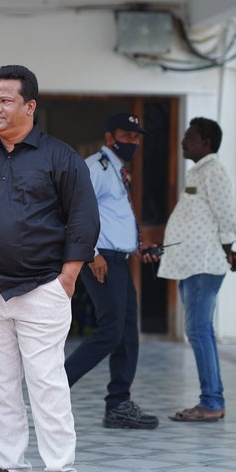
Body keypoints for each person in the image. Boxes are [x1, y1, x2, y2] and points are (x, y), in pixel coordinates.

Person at [0, 64, 99, 472]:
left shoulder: (60, 157)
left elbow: (83, 219)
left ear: (30, 105)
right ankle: (11, 469)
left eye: (6, 100)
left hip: (40, 286)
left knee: (46, 381)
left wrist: (67, 278)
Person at [64, 113, 160, 429]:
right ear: (109, 138)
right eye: (126, 136)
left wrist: (138, 246)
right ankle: (54, 387)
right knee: (111, 331)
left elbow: (112, 218)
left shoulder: (117, 170)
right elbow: (75, 211)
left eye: (136, 138)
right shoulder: (96, 167)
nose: (132, 142)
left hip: (119, 260)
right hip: (101, 260)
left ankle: (118, 404)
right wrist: (91, 254)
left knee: (127, 333)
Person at [158, 117, 236, 422]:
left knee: (198, 331)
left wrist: (229, 250)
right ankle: (212, 400)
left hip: (204, 265)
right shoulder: (198, 171)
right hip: (191, 264)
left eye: (189, 137)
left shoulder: (213, 171)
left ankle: (211, 402)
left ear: (205, 142)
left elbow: (226, 215)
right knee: (199, 330)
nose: (183, 142)